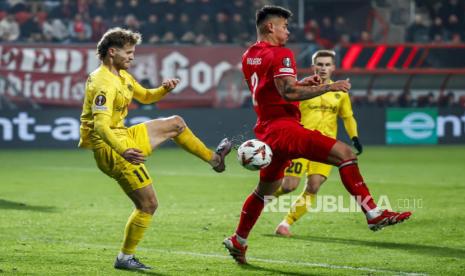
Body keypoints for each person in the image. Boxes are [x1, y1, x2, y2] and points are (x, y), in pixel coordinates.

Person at [223, 6, 411, 264]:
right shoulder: (282, 54)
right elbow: (287, 93)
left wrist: (301, 83)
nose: (288, 32)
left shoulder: (249, 55)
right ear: (270, 27)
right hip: (284, 128)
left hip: (266, 130)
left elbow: (274, 90)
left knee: (265, 191)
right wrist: (328, 86)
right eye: (284, 27)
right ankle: (373, 213)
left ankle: (239, 240)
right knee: (346, 154)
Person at [78, 27, 231, 271]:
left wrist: (164, 89)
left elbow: (146, 97)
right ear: (112, 52)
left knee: (176, 123)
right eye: (128, 52)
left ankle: (215, 160)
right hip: (112, 148)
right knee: (148, 205)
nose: (132, 57)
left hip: (124, 136)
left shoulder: (122, 76)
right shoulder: (102, 83)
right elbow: (100, 127)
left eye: (133, 52)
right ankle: (125, 257)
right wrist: (123, 150)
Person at [273, 49, 363, 237]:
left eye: (327, 64)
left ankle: (285, 224)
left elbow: (347, 117)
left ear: (333, 67)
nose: (323, 68)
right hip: (301, 144)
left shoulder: (340, 93)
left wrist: (354, 137)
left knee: (313, 186)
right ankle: (262, 198)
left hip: (326, 146)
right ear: (313, 67)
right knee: (289, 185)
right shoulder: (302, 89)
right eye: (320, 64)